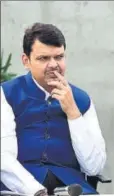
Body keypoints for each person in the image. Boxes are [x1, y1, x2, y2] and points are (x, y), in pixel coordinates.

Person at [1, 23, 106, 195]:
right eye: (44, 58)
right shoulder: (6, 94)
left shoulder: (82, 99)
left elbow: (94, 167)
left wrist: (73, 113)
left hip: (72, 189)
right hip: (20, 189)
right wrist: (36, 191)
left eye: (59, 57)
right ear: (26, 61)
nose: (53, 65)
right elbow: (3, 157)